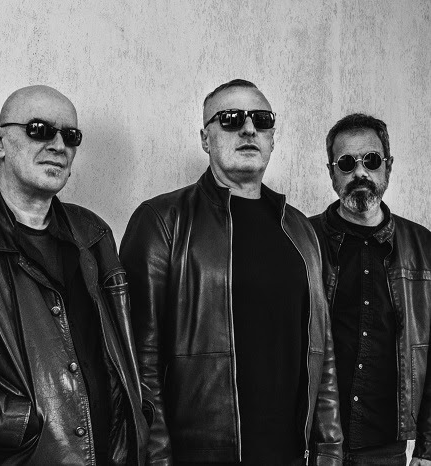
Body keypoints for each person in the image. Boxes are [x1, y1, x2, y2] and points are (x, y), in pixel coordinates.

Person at [0, 85, 149, 465]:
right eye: (39, 130)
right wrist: (23, 424)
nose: (58, 145)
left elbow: (118, 357)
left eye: (71, 136)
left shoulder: (93, 234)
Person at [120, 79, 342, 465]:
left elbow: (323, 355)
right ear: (205, 139)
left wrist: (330, 452)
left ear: (272, 138)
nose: (249, 128)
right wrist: (156, 459)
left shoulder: (301, 231)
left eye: (262, 119)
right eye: (231, 118)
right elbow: (139, 361)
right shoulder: (162, 221)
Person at [309, 113, 431, 466]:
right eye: (347, 163)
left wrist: (427, 448)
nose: (360, 173)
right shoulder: (303, 240)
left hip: (385, 448)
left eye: (372, 160)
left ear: (388, 167)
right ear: (332, 173)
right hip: (313, 444)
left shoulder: (424, 249)